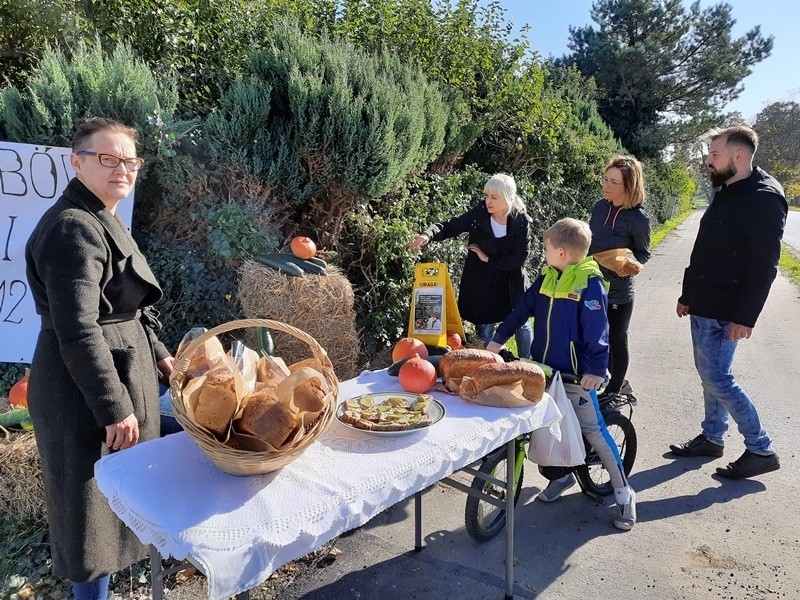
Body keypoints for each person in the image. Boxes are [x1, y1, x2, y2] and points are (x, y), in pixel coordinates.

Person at [25, 117, 175, 598]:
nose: (122, 169)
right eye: (106, 158)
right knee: (87, 519)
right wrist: (114, 406)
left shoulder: (101, 217)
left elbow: (126, 307)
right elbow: (78, 327)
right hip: (81, 393)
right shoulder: (73, 228)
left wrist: (161, 357)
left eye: (129, 160)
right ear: (76, 161)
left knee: (109, 511)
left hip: (119, 372)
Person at [487, 218, 636, 531]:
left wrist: (596, 369)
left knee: (594, 431)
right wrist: (497, 341)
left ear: (563, 252)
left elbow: (599, 331)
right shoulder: (546, 278)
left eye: (547, 248)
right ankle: (561, 476)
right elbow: (520, 312)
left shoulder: (589, 283)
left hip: (578, 377)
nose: (543, 252)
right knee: (542, 427)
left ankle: (624, 493)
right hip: (544, 373)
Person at [669, 125, 786, 479]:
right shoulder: (728, 188)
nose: (708, 160)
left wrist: (745, 317)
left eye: (714, 154)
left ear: (738, 156)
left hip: (726, 309)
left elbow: (765, 265)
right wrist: (688, 294)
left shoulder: (764, 197)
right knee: (709, 376)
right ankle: (712, 437)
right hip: (704, 302)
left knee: (718, 378)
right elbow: (706, 247)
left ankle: (761, 448)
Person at [410, 173, 533, 357]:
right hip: (482, 281)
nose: (488, 201)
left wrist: (488, 259)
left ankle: (529, 364)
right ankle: (488, 365)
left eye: (493, 197)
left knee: (521, 323)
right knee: (484, 326)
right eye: (486, 196)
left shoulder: (521, 221)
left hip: (511, 282)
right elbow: (452, 225)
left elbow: (518, 258)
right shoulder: (479, 214)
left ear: (508, 198)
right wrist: (428, 234)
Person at [588, 155, 651, 398]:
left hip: (619, 293)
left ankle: (614, 392)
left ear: (629, 185)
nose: (606, 185)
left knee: (616, 340)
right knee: (594, 338)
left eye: (613, 182)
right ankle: (618, 383)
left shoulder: (638, 219)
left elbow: (643, 253)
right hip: (592, 286)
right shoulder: (599, 207)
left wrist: (630, 264)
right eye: (605, 179)